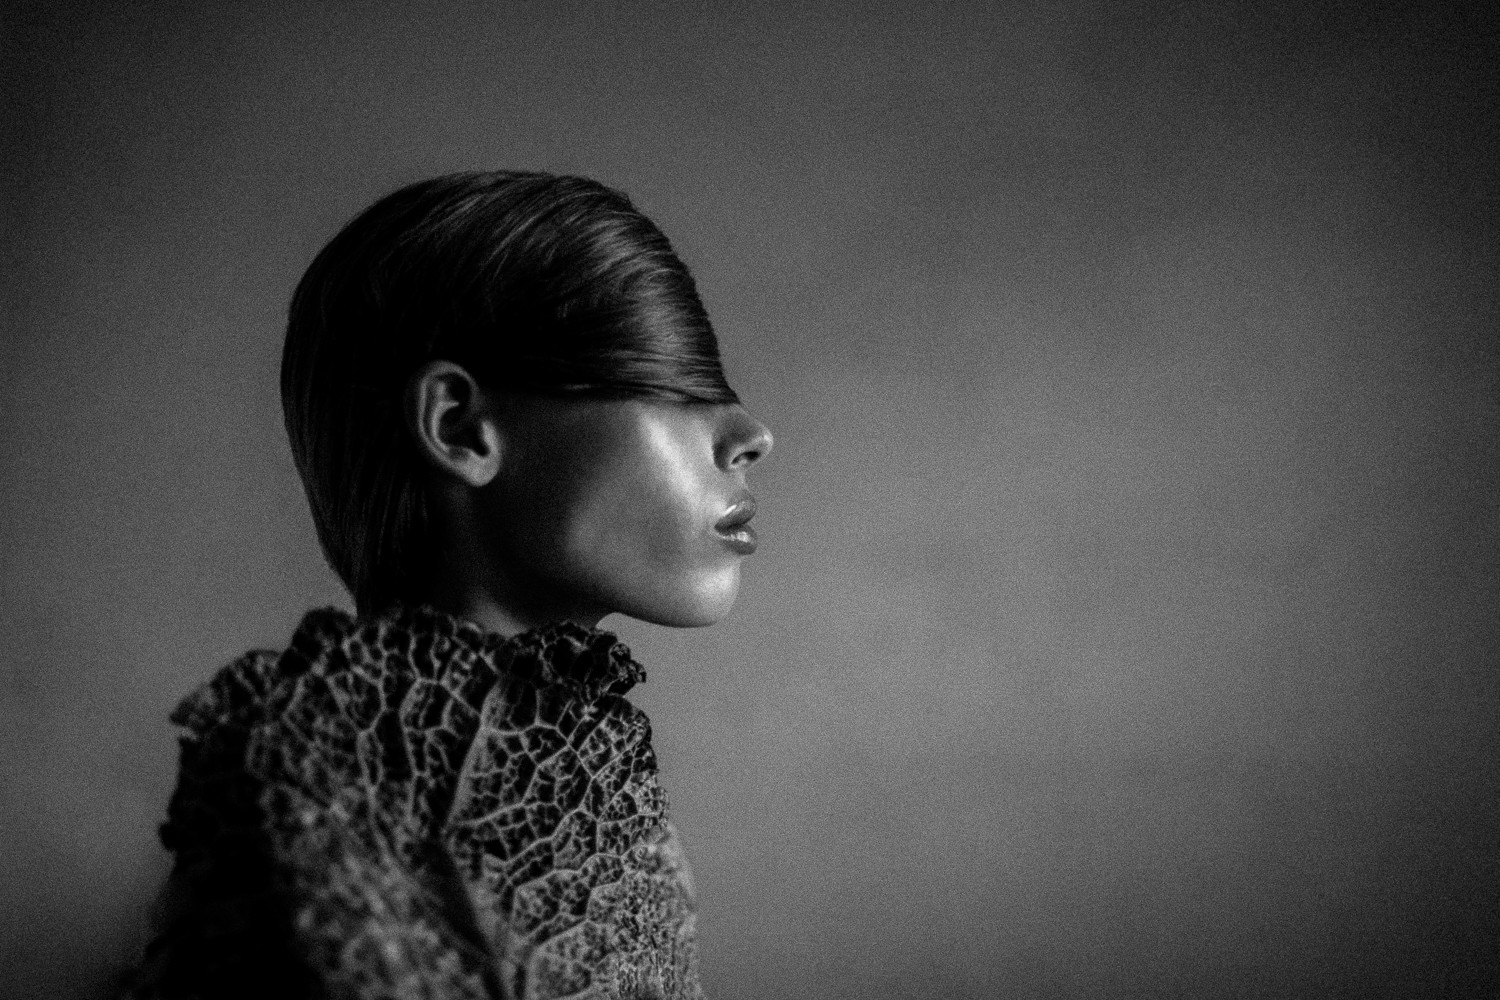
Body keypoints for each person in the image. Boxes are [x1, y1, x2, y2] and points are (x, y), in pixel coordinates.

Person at [127, 171, 773, 1000]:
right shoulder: (304, 801)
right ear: (460, 427)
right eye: (674, 384)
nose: (751, 433)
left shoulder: (582, 779)